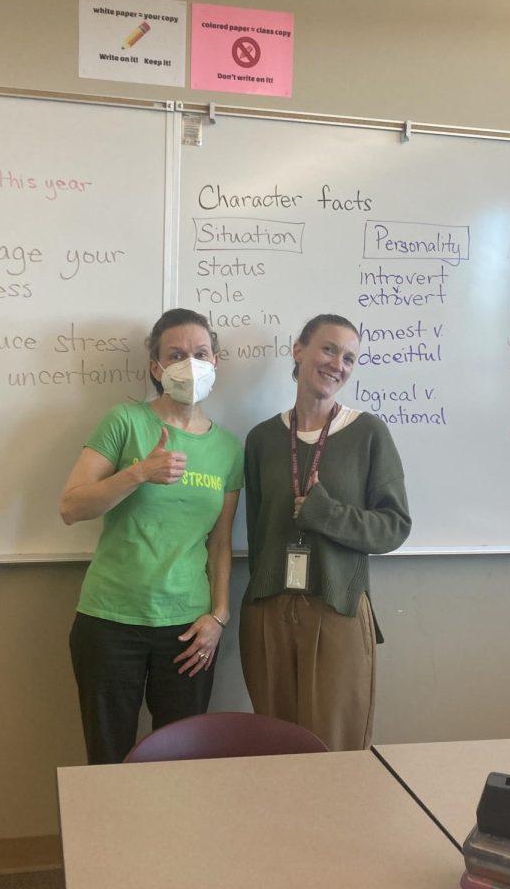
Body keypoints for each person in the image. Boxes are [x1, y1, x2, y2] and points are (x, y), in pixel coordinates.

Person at [60, 309, 243, 764]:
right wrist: (138, 473)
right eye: (176, 355)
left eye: (200, 353)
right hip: (110, 622)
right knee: (108, 759)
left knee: (179, 760)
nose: (190, 364)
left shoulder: (229, 449)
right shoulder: (125, 421)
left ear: (215, 362)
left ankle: (172, 838)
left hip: (187, 630)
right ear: (156, 368)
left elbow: (221, 543)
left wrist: (218, 617)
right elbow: (71, 506)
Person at [239, 314, 411, 750]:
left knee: (334, 752)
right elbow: (258, 530)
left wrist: (328, 515)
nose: (338, 363)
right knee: (274, 749)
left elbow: (394, 526)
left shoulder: (368, 433)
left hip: (337, 609)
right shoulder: (261, 439)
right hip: (269, 614)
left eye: (349, 357)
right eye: (329, 349)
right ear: (299, 351)